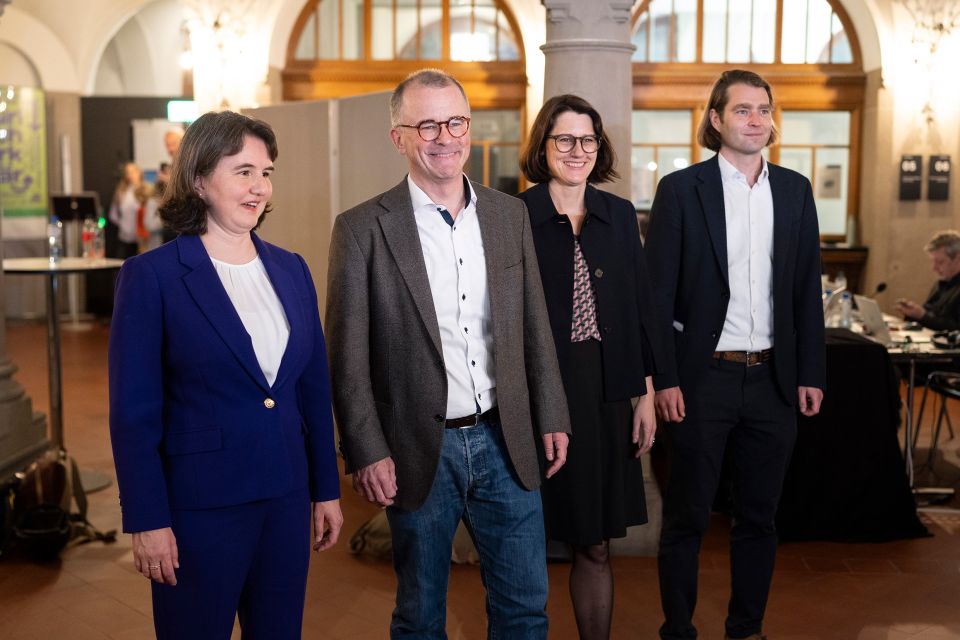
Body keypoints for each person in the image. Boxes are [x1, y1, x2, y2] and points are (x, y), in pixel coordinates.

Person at [325, 68, 571, 639]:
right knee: (419, 615)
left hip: (506, 439)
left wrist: (553, 413)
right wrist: (365, 450)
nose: (445, 136)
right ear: (400, 137)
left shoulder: (509, 216)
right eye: (427, 124)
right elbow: (348, 355)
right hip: (417, 446)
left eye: (455, 121)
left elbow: (534, 323)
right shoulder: (362, 229)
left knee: (525, 610)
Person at [108, 110, 342, 640]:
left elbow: (312, 390)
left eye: (266, 172)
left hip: (284, 499)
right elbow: (133, 414)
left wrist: (325, 488)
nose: (259, 187)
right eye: (243, 172)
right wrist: (147, 519)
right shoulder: (152, 277)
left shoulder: (291, 268)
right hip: (199, 508)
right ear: (198, 179)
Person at [645, 69, 826, 640]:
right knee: (687, 518)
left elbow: (805, 291)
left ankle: (746, 629)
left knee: (759, 518)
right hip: (702, 382)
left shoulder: (795, 190)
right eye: (743, 110)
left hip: (774, 380)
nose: (756, 120)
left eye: (764, 110)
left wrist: (810, 373)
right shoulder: (681, 190)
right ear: (717, 120)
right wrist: (665, 378)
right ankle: (678, 628)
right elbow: (656, 296)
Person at [516, 94, 664, 640]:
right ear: (543, 146)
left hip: (606, 394)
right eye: (564, 140)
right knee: (523, 542)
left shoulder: (619, 215)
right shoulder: (514, 215)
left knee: (597, 544)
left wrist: (645, 394)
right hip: (536, 395)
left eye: (587, 140)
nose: (577, 151)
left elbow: (638, 310)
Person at [895, 230, 960, 331]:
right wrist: (912, 314)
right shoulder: (941, 283)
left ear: (957, 259)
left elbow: (956, 329)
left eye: (940, 262)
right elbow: (929, 315)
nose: (934, 268)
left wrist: (922, 316)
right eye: (933, 262)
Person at [109, 161, 149, 258]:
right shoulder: (122, 192)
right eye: (128, 172)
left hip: (143, 239)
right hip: (125, 237)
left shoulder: (148, 190)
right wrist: (123, 224)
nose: (131, 175)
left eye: (134, 171)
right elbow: (113, 214)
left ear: (139, 172)